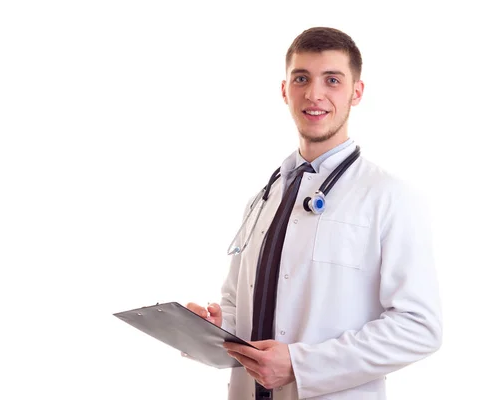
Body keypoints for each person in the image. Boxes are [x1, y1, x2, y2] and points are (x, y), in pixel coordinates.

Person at [186, 26, 442, 400]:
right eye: (301, 78)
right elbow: (242, 304)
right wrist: (218, 323)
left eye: (332, 80)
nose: (314, 94)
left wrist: (301, 365)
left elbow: (420, 327)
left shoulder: (388, 196)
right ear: (284, 90)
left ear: (357, 92)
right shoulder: (263, 198)